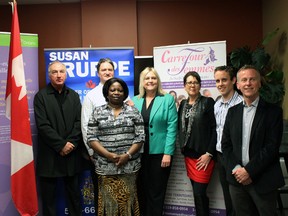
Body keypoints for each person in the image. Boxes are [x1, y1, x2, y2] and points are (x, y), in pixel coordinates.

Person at [221, 65, 285, 216]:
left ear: (259, 83)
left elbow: (271, 147)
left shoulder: (273, 112)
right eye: (244, 80)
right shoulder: (232, 112)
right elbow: (226, 145)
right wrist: (237, 169)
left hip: (263, 179)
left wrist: (248, 171)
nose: (248, 83)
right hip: (236, 181)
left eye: (252, 79)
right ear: (238, 85)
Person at [87, 77, 145, 216]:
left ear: (125, 93)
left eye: (120, 90)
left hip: (129, 166)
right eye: (112, 90)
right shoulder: (97, 112)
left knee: (128, 201)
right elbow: (91, 137)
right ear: (107, 93)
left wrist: (127, 155)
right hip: (105, 167)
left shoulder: (133, 111)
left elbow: (140, 137)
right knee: (108, 204)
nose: (116, 92)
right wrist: (108, 155)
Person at [34, 61, 83, 216]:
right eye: (54, 72)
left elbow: (79, 123)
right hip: (50, 157)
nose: (59, 75)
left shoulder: (74, 96)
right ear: (49, 75)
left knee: (75, 198)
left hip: (71, 156)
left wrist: (71, 144)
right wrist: (61, 145)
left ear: (66, 74)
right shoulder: (41, 97)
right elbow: (43, 126)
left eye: (61, 71)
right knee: (49, 201)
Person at [132, 67, 178, 216]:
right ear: (142, 82)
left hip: (160, 153)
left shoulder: (167, 99)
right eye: (147, 78)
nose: (150, 81)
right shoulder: (135, 101)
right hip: (139, 154)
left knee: (156, 192)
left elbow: (172, 127)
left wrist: (168, 153)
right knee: (141, 190)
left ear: (157, 81)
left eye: (153, 78)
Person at [178, 71, 216, 216]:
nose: (192, 85)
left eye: (195, 82)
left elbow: (215, 129)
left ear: (200, 85)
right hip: (189, 156)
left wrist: (209, 153)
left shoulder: (208, 102)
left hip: (204, 157)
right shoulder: (182, 104)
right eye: (189, 82)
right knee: (196, 193)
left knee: (200, 193)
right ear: (184, 86)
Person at [81, 58, 115, 212]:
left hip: (120, 155)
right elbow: (85, 125)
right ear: (98, 73)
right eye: (104, 70)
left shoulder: (122, 93)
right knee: (101, 195)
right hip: (99, 154)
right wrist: (91, 152)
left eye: (110, 69)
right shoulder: (91, 96)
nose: (107, 72)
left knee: (120, 194)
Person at [214, 65, 242, 216]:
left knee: (239, 200)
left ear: (233, 80)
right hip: (220, 156)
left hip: (236, 157)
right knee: (227, 197)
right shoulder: (217, 104)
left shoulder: (242, 104)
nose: (220, 84)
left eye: (224, 80)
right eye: (217, 80)